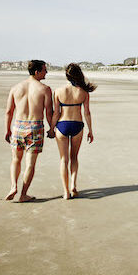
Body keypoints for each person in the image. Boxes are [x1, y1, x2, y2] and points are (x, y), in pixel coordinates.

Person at [4, 59, 54, 202]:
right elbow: (48, 113)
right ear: (37, 72)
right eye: (45, 70)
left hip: (18, 126)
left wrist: (7, 129)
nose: (46, 72)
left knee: (15, 160)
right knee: (30, 164)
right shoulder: (45, 89)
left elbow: (9, 111)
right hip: (35, 127)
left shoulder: (15, 88)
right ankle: (23, 194)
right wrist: (52, 129)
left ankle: (13, 186)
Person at [51, 63, 96, 199]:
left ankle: (65, 192)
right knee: (74, 157)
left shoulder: (58, 91)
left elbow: (55, 113)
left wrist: (52, 128)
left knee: (63, 159)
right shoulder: (83, 92)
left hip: (62, 125)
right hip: (78, 125)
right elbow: (87, 112)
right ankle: (73, 186)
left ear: (67, 76)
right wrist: (90, 130)